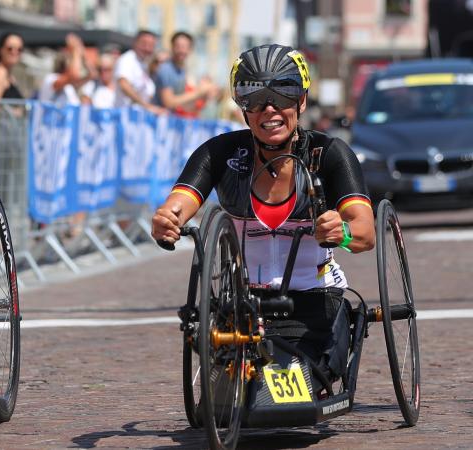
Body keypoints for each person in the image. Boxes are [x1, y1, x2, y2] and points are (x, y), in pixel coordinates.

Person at [151, 44, 375, 394]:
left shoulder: (330, 155)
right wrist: (167, 219)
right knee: (233, 399)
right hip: (242, 311)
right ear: (243, 108)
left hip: (313, 305)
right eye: (254, 98)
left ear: (301, 101)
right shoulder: (220, 153)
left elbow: (365, 233)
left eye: (281, 94)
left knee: (286, 399)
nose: (268, 108)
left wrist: (342, 231)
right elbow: (179, 202)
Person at [154, 31, 219, 118]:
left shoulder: (182, 70)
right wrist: (199, 93)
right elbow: (169, 102)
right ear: (172, 47)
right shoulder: (166, 69)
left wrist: (204, 97)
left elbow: (183, 106)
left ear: (190, 49)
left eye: (185, 47)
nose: (182, 50)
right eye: (178, 46)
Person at [114, 30, 166, 114]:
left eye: (151, 45)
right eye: (144, 44)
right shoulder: (127, 60)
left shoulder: (144, 64)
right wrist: (147, 106)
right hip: (125, 116)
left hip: (138, 118)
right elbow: (124, 85)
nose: (147, 48)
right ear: (135, 43)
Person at [37, 33, 92, 107]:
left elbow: (92, 74)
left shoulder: (69, 86)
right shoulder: (51, 79)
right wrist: (75, 50)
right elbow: (74, 75)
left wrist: (83, 54)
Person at [0, 32, 24, 100]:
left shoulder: (8, 75)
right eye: (10, 48)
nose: (14, 52)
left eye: (19, 49)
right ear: (0, 50)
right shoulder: (0, 73)